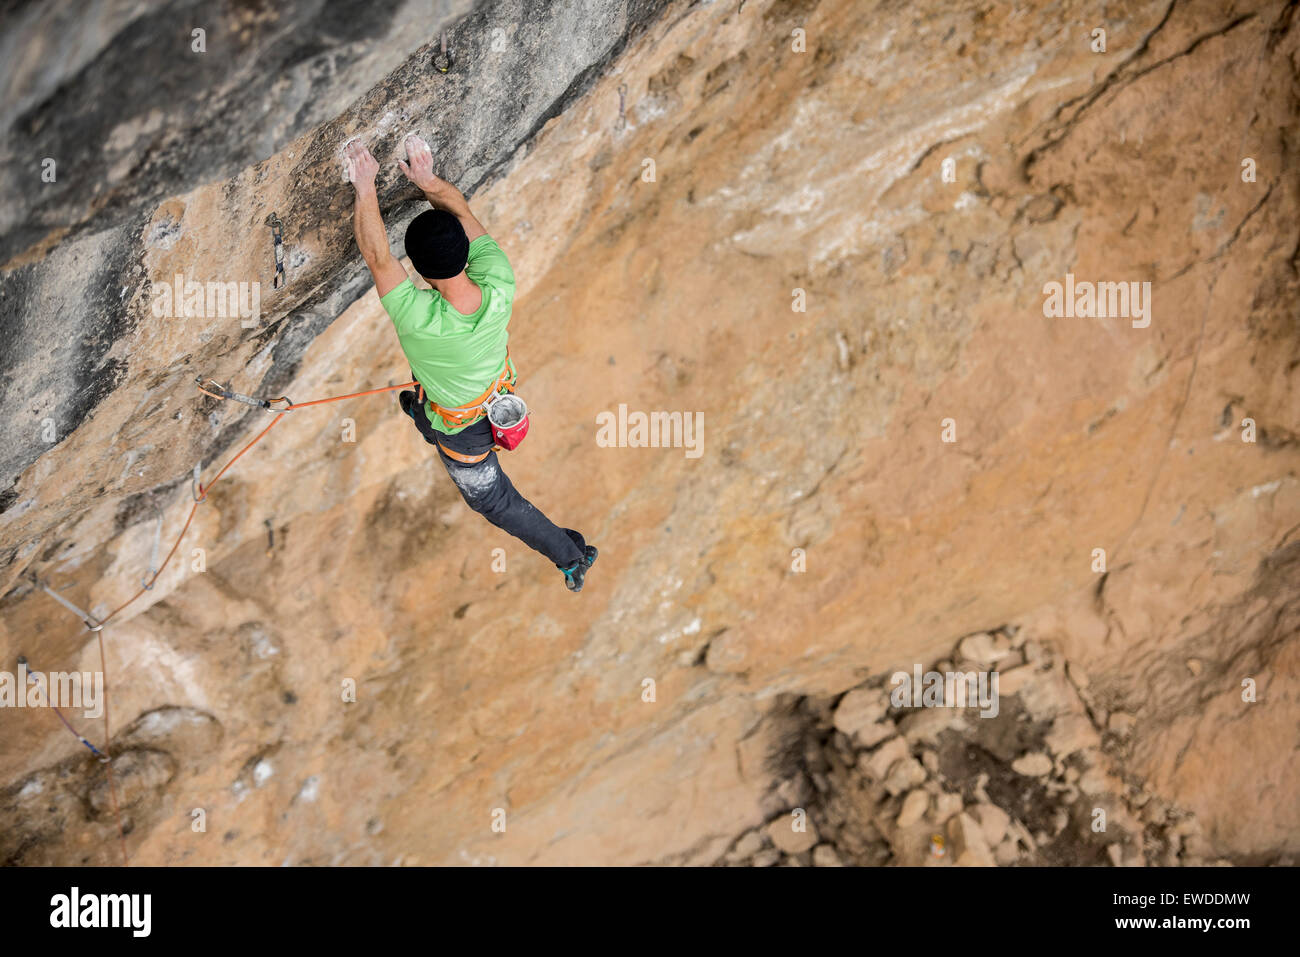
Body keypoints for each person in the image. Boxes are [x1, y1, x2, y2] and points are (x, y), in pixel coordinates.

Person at [343, 135, 597, 592]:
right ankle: (422, 412)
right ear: (466, 250)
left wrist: (366, 188)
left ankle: (573, 555)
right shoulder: (497, 275)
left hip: (466, 428)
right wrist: (426, 179)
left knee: (493, 500)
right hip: (494, 393)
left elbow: (380, 253)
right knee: (427, 401)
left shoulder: (423, 321)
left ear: (419, 273)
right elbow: (451, 219)